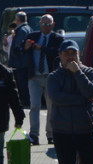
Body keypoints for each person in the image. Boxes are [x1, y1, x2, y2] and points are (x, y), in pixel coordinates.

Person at [23, 14, 63, 145]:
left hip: (50, 77)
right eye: (43, 24)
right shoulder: (32, 37)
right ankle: (34, 134)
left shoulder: (57, 38)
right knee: (34, 106)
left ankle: (51, 134)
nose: (45, 27)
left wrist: (42, 48)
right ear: (39, 24)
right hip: (34, 77)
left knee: (51, 107)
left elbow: (57, 53)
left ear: (53, 25)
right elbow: (17, 52)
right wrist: (25, 47)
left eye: (48, 24)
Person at [8, 11, 33, 107]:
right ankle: (25, 99)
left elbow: (18, 47)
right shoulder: (29, 28)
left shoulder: (21, 30)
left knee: (22, 83)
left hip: (21, 62)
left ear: (17, 20)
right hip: (26, 62)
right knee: (24, 82)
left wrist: (16, 51)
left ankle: (25, 101)